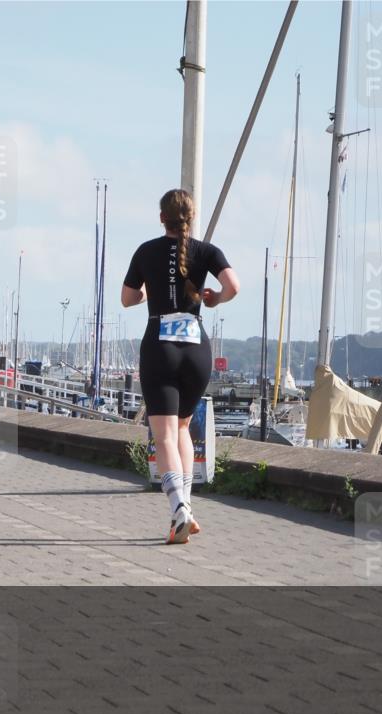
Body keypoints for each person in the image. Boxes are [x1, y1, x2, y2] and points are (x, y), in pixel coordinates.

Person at [121, 189, 240, 544]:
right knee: (184, 428)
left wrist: (146, 292)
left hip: (160, 345)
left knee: (164, 435)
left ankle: (179, 510)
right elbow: (233, 285)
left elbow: (127, 299)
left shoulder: (146, 251)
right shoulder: (206, 250)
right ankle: (184, 509)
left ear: (162, 218)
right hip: (196, 347)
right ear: (191, 217)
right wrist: (216, 298)